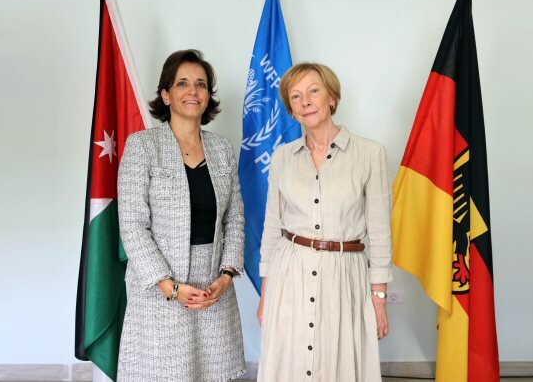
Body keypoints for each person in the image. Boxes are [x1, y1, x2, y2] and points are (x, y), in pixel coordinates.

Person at [256, 63, 394, 381]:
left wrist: (379, 298)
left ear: (331, 97)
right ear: (291, 109)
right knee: (289, 363)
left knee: (341, 363)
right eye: (296, 95)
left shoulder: (370, 154)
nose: (305, 101)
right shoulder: (281, 158)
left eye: (313, 91)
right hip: (290, 274)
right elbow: (272, 229)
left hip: (346, 275)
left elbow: (380, 232)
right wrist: (267, 294)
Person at [117, 49, 245, 381]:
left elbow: (234, 218)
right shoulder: (142, 145)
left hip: (213, 288)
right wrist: (167, 285)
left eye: (201, 84)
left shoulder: (221, 148)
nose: (193, 91)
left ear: (208, 96)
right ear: (166, 94)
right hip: (160, 287)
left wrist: (227, 275)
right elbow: (132, 224)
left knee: (213, 373)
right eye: (183, 83)